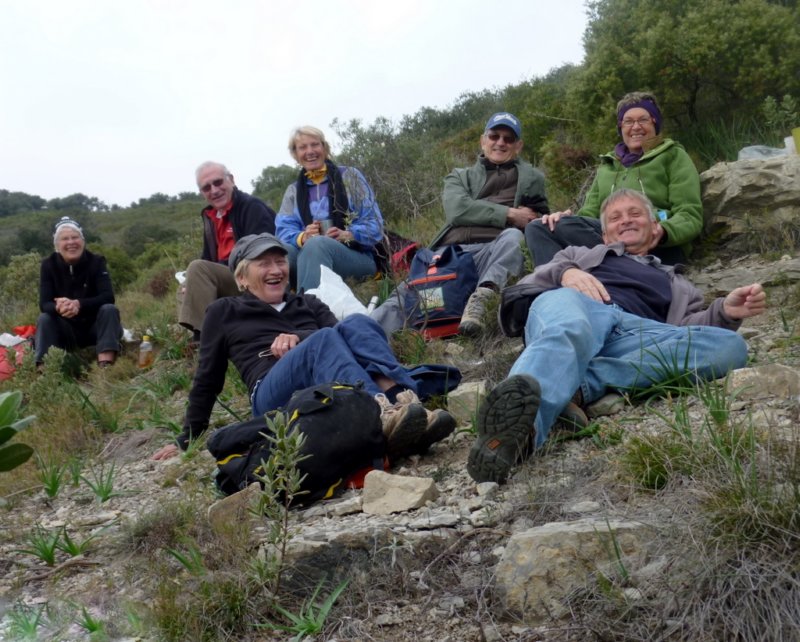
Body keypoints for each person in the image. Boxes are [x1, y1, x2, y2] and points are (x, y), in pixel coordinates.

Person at [468, 189, 766, 484]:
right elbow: (530, 282)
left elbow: (685, 328)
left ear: (655, 227)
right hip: (578, 306)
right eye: (615, 218)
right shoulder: (577, 255)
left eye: (635, 213)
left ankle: (579, 385)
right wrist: (566, 273)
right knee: (571, 326)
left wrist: (725, 312)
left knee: (730, 346)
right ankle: (517, 436)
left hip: (634, 334)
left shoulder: (680, 285)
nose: (626, 220)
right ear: (604, 235)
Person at [153, 233, 456, 462]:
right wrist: (186, 439)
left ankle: (403, 402)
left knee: (357, 323)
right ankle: (380, 414)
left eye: (280, 261)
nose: (276, 269)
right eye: (264, 264)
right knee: (322, 340)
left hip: (324, 382)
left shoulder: (308, 302)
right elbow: (207, 379)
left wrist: (297, 335)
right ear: (242, 277)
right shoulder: (224, 311)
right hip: (270, 390)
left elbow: (341, 337)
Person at [372, 111, 549, 336]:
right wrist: (510, 214)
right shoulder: (459, 176)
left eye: (508, 138)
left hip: (493, 251)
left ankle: (483, 300)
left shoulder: (532, 179)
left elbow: (538, 218)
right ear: (483, 140)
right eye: (494, 136)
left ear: (518, 146)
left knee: (514, 238)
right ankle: (362, 332)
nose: (500, 143)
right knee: (404, 297)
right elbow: (457, 210)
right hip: (449, 255)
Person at [525, 92, 702, 266]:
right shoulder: (607, 166)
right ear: (620, 127)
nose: (636, 127)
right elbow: (588, 214)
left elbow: (689, 214)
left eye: (643, 120)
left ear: (655, 123)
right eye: (628, 121)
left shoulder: (673, 156)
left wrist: (662, 230)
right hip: (610, 239)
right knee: (539, 227)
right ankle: (559, 278)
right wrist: (564, 219)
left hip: (656, 243)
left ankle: (618, 268)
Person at [177, 161, 276, 343]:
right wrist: (191, 280)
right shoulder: (211, 216)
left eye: (218, 182)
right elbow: (207, 258)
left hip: (252, 278)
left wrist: (208, 270)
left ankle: (206, 339)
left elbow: (259, 252)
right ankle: (208, 333)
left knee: (198, 269)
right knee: (185, 285)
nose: (214, 190)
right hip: (230, 279)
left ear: (231, 180)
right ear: (202, 193)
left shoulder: (251, 207)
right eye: (207, 187)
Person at [276, 126, 384, 292]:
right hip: (309, 255)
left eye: (315, 145)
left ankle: (308, 305)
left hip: (357, 257)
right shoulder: (293, 191)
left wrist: (347, 234)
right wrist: (303, 237)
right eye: (302, 147)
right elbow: (282, 231)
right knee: (279, 253)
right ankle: (276, 306)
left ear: (324, 148)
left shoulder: (350, 177)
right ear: (295, 154)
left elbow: (375, 224)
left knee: (317, 244)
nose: (310, 151)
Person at [35, 217, 123, 367]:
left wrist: (78, 304)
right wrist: (60, 307)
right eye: (65, 239)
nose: (71, 242)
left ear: (82, 241)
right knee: (44, 318)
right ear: (57, 245)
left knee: (109, 309)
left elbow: (108, 297)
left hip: (95, 327)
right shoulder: (48, 265)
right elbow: (44, 304)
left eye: (75, 237)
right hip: (67, 331)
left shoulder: (96, 262)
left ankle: (105, 363)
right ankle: (44, 369)